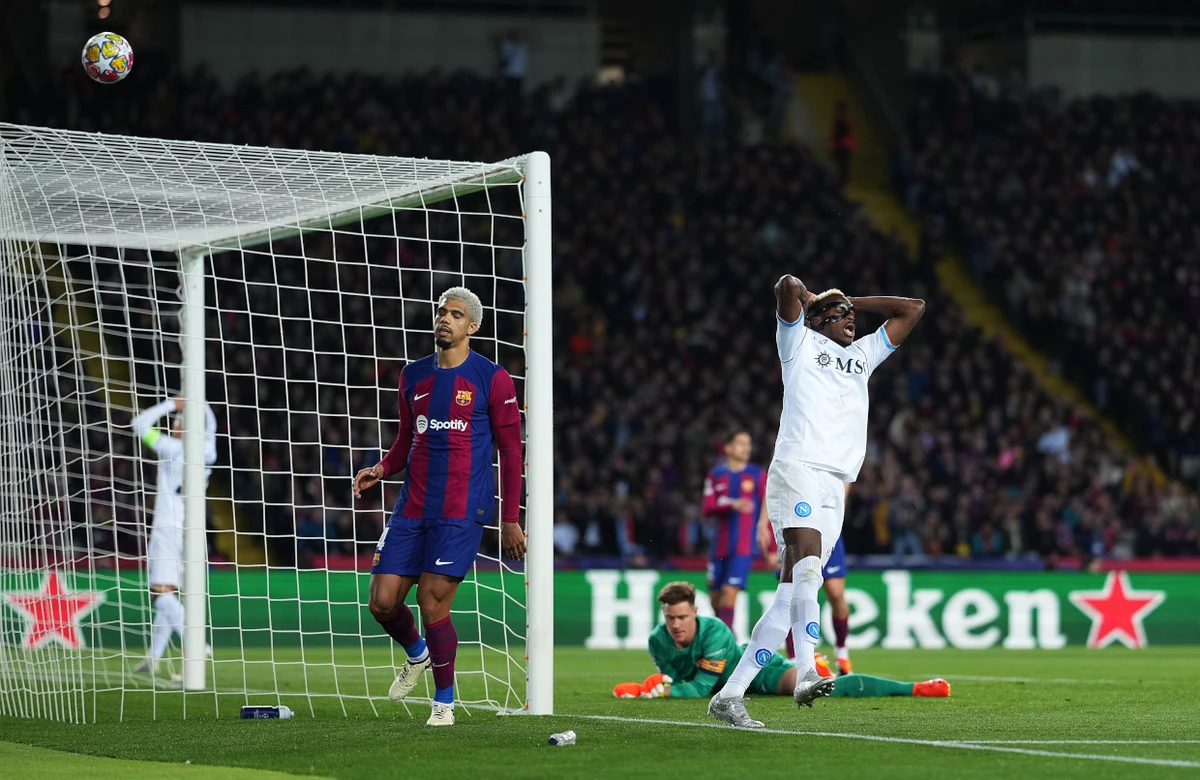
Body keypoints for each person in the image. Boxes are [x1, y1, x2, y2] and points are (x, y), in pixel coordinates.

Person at [709, 280, 924, 729]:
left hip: (835, 483)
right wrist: (811, 299)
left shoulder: (863, 356)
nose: (851, 320)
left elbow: (913, 308)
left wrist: (851, 301)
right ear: (817, 321)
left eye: (852, 316)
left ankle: (730, 695)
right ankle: (807, 668)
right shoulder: (798, 343)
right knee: (808, 567)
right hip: (797, 468)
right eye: (841, 314)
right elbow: (785, 287)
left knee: (789, 595)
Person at [353, 287, 526, 727]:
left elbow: (510, 451)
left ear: (473, 326)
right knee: (382, 602)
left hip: (462, 508)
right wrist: (381, 469)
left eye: (455, 314)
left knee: (432, 601)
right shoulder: (412, 376)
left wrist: (510, 518)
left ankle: (444, 702)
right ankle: (417, 654)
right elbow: (407, 440)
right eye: (440, 311)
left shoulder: (493, 378)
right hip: (412, 505)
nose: (444, 318)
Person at [613, 582, 948, 701]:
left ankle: (914, 688)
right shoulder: (657, 640)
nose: (676, 625)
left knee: (821, 687)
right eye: (670, 618)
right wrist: (660, 683)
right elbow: (680, 677)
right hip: (725, 686)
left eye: (682, 617)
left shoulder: (714, 631)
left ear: (695, 613)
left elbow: (699, 688)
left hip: (756, 672)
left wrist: (659, 691)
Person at [130, 395, 218, 676]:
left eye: (177, 424)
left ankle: (195, 644)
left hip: (168, 527)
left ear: (183, 429)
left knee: (160, 594)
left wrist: (172, 404)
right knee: (170, 593)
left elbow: (138, 424)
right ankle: (154, 657)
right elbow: (211, 423)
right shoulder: (209, 450)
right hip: (193, 531)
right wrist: (199, 401)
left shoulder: (172, 448)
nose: (173, 428)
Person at [760, 483, 854, 675]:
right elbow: (775, 485)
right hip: (796, 524)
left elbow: (842, 484)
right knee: (792, 593)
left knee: (836, 594)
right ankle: (794, 659)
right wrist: (764, 525)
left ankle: (842, 653)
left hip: (827, 526)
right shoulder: (791, 455)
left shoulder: (834, 456)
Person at [702, 429, 767, 630]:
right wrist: (731, 504)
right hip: (719, 546)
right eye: (740, 443)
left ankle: (725, 649)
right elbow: (707, 508)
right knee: (715, 598)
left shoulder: (757, 474)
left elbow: (768, 501)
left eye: (748, 443)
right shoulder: (715, 475)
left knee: (729, 594)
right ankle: (728, 637)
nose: (746, 447)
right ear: (727, 447)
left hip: (743, 546)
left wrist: (762, 525)